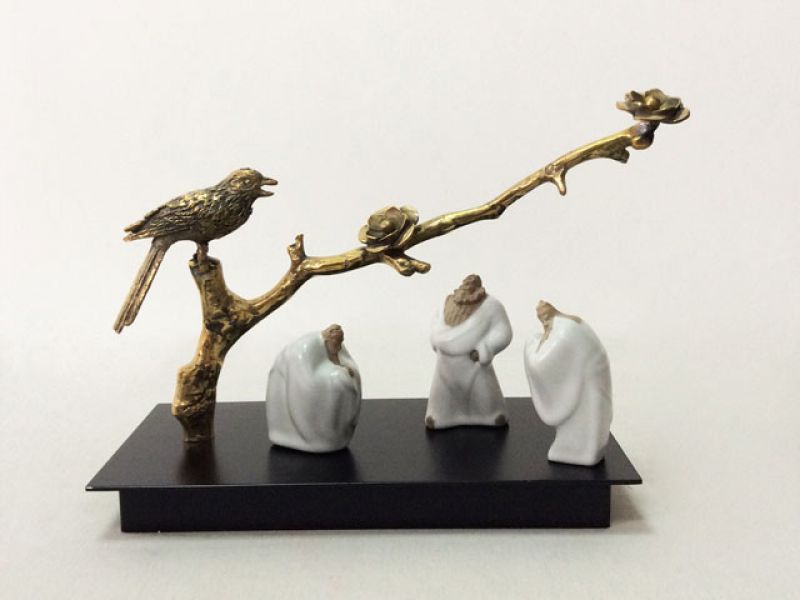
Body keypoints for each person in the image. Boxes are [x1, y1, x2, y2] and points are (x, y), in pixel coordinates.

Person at [426, 275, 513, 429]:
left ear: (478, 289)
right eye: (465, 284)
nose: (467, 287)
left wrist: (487, 347)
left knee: (482, 392)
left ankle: (490, 415)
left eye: (471, 285)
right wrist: (436, 339)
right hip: (445, 363)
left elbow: (503, 331)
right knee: (444, 393)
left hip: (473, 362)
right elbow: (435, 323)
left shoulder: (491, 306)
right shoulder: (446, 303)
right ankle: (441, 415)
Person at [267, 324, 361, 452]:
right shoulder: (302, 351)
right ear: (327, 340)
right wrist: (338, 373)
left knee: (342, 379)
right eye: (336, 344)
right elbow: (304, 384)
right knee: (339, 380)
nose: (339, 347)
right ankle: (318, 436)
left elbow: (345, 362)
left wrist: (345, 370)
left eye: (340, 344)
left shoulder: (334, 345)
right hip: (291, 384)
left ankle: (334, 435)